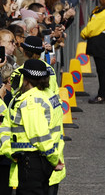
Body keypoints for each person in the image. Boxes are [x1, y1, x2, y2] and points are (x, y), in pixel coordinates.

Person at [0, 59, 64, 194]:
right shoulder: (49, 96)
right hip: (40, 161)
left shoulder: (30, 101)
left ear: (26, 79)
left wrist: (9, 153)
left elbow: (39, 136)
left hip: (32, 162)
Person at [80, 0, 105, 104]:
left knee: (102, 71)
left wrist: (83, 34)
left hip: (101, 44)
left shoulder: (103, 13)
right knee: (103, 70)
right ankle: (102, 94)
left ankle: (102, 96)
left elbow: (92, 28)